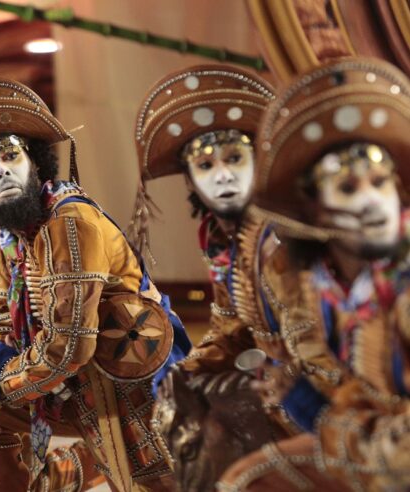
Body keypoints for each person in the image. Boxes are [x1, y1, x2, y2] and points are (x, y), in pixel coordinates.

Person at [0, 76, 191, 491]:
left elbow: (69, 347)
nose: (2, 173)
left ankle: (74, 469)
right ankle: (54, 475)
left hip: (125, 377)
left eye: (11, 157)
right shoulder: (11, 236)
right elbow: (3, 316)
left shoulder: (70, 223)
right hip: (69, 376)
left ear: (35, 162)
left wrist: (4, 382)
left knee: (152, 482)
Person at [219, 57, 410, 491]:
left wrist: (319, 418)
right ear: (313, 207)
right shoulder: (333, 283)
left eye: (380, 183)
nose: (371, 202)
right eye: (347, 188)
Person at [130, 65, 296, 490]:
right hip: (272, 377)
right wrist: (187, 369)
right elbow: (229, 323)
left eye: (235, 159)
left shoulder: (291, 229)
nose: (222, 175)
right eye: (205, 165)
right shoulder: (219, 237)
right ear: (191, 180)